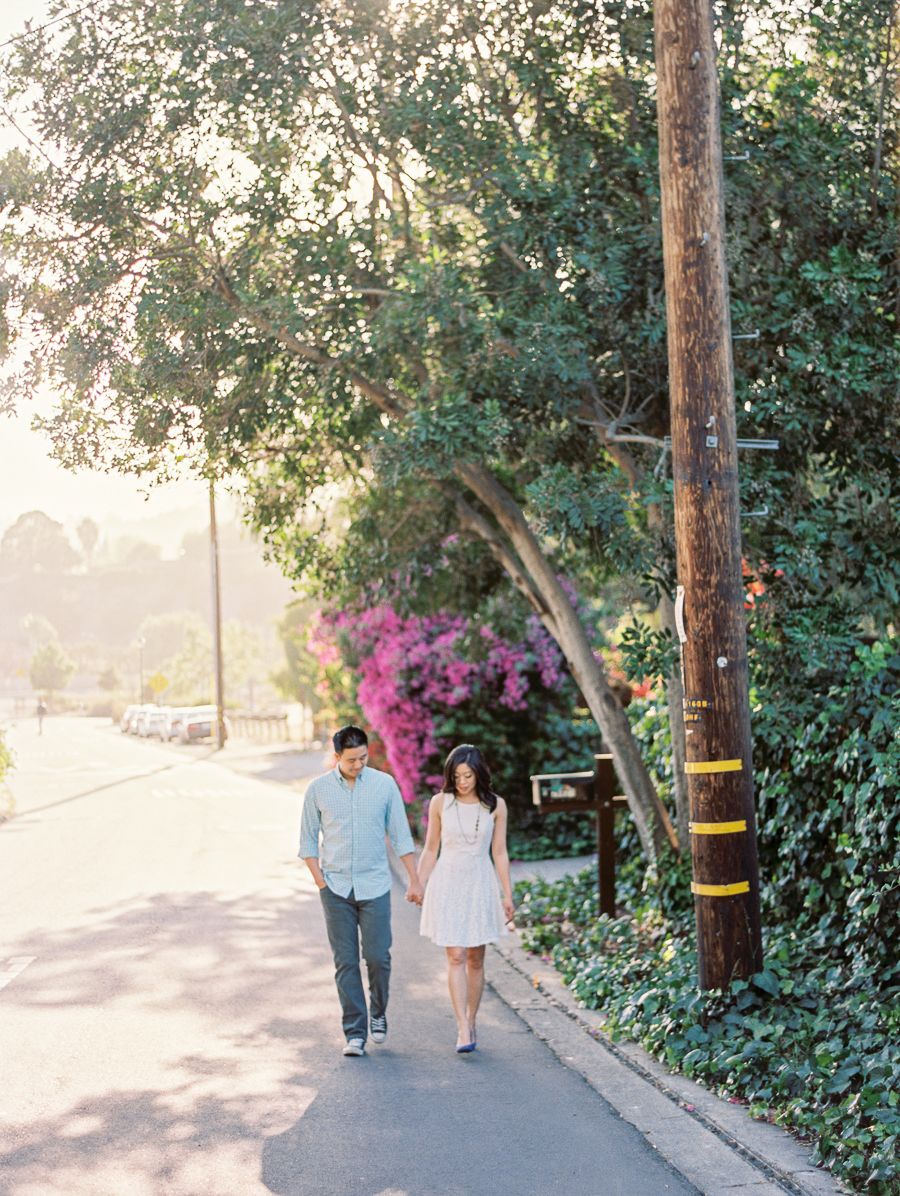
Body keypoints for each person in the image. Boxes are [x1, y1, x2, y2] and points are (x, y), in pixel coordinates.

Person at [300, 725, 424, 1058]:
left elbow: (400, 837)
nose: (359, 765)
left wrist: (414, 879)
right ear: (337, 756)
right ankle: (355, 1032)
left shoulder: (384, 785)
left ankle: (378, 1011)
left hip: (375, 886)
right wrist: (320, 882)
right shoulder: (318, 790)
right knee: (346, 962)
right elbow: (308, 841)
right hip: (335, 888)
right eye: (352, 759)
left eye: (364, 757)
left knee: (378, 957)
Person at [417, 744, 515, 1053]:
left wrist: (507, 894)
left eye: (468, 775)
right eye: (457, 776)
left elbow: (499, 851)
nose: (462, 782)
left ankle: (472, 1019)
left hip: (480, 883)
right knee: (455, 955)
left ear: (479, 774)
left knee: (475, 958)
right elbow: (431, 848)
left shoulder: (495, 806)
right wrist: (418, 883)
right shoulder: (439, 803)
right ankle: (461, 1026)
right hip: (448, 882)